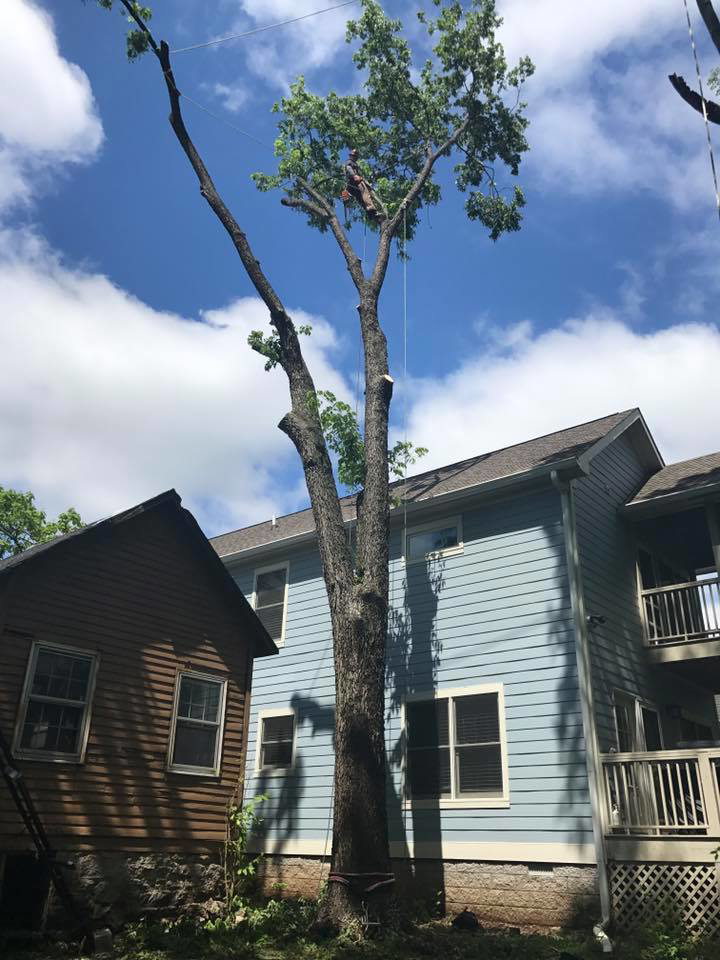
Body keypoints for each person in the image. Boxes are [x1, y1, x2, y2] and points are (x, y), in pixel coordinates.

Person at [344, 148, 382, 220]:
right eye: (353, 156)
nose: (354, 157)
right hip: (354, 182)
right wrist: (355, 176)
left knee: (361, 199)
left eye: (355, 156)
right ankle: (370, 208)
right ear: (351, 156)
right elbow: (348, 168)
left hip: (353, 186)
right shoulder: (349, 162)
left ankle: (371, 214)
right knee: (366, 192)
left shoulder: (354, 163)